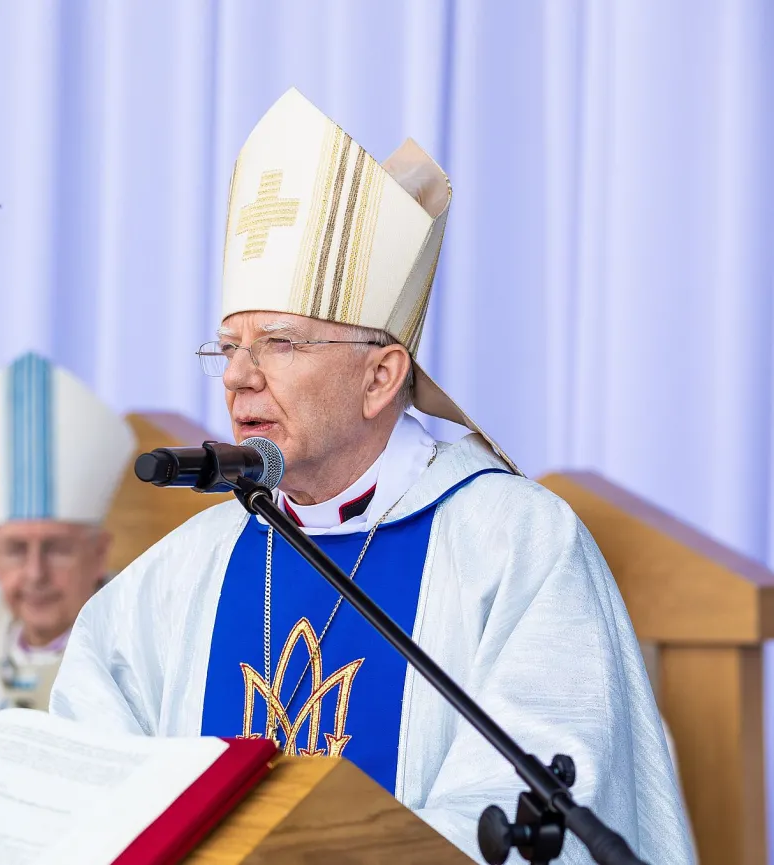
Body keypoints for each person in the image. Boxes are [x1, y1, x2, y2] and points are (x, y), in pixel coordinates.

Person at [48, 90, 693, 863]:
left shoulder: (516, 546)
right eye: (228, 347)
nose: (239, 378)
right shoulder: (174, 579)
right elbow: (83, 801)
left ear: (382, 376)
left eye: (279, 343)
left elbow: (520, 810)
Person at [0, 352, 135, 725]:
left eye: (58, 549)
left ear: (98, 554)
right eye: (16, 550)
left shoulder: (136, 667)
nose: (35, 573)